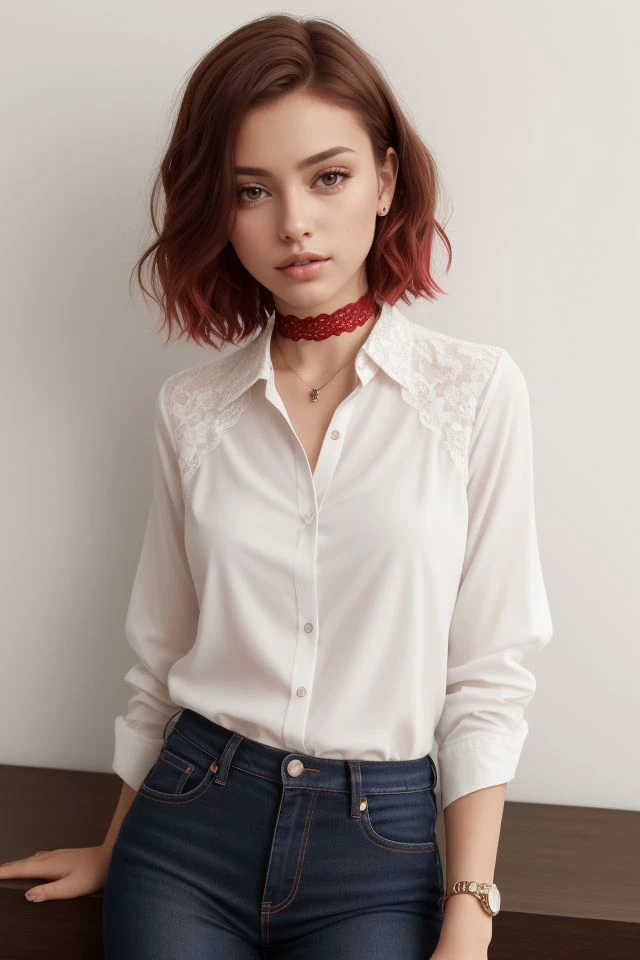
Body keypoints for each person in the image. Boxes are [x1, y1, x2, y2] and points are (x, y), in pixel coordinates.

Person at [0, 13, 553, 960]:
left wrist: (470, 908)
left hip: (380, 849)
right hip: (186, 831)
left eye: (328, 176)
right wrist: (116, 841)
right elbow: (163, 655)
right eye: (252, 190)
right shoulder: (193, 410)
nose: (293, 222)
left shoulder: (474, 395)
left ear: (385, 179)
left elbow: (488, 675)